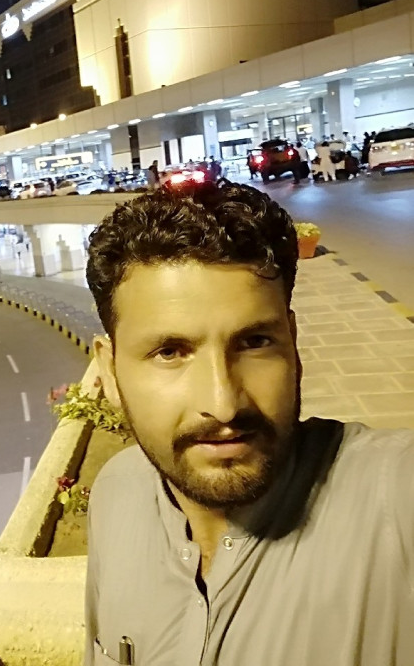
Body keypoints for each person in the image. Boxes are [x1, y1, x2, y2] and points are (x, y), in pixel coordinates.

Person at [84, 181, 414, 666]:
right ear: (110, 373)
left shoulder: (393, 501)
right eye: (170, 352)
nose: (223, 405)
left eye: (255, 342)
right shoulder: (116, 495)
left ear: (292, 342)